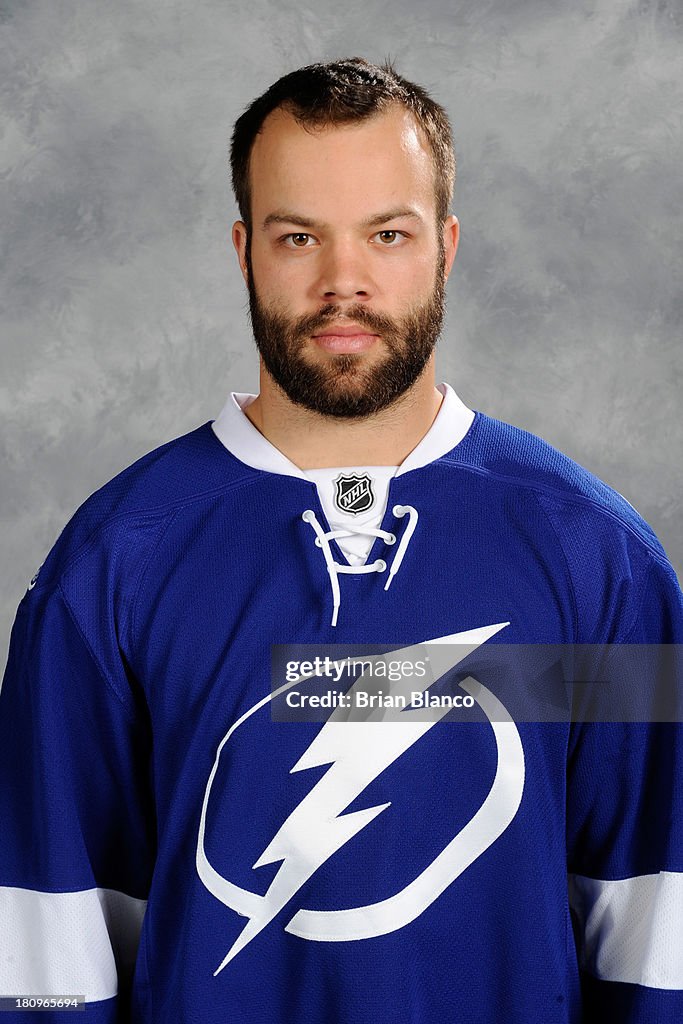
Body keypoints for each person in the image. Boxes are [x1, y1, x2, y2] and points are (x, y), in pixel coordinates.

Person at [0, 56, 681, 1024]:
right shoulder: (112, 562)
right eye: (296, 237)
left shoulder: (593, 556)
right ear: (244, 249)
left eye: (386, 235)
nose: (342, 281)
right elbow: (46, 942)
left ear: (444, 246)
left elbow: (654, 922)